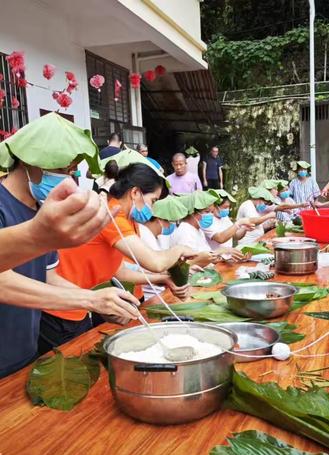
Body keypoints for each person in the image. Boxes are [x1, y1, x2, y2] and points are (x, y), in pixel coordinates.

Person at [0, 114, 140, 377]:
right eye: (64, 170)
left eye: (73, 172)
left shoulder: (42, 210)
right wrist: (90, 299)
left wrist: (104, 301)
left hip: (24, 350)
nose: (69, 181)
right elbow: (3, 282)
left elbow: (49, 276)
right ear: (31, 161)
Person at [41, 163, 195, 352]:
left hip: (78, 304)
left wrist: (162, 279)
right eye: (153, 200)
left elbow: (117, 269)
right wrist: (180, 249)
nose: (152, 208)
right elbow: (155, 262)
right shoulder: (111, 214)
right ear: (135, 193)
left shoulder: (126, 218)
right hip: (59, 307)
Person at [138, 196, 190, 301]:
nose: (172, 226)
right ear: (159, 219)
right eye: (171, 222)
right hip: (150, 295)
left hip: (162, 291)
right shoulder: (142, 233)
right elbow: (158, 267)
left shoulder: (160, 236)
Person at [171, 190, 244, 262]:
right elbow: (188, 263)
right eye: (207, 212)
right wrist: (223, 251)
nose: (211, 215)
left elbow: (207, 256)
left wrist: (229, 256)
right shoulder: (185, 231)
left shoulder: (199, 230)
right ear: (192, 212)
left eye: (212, 212)